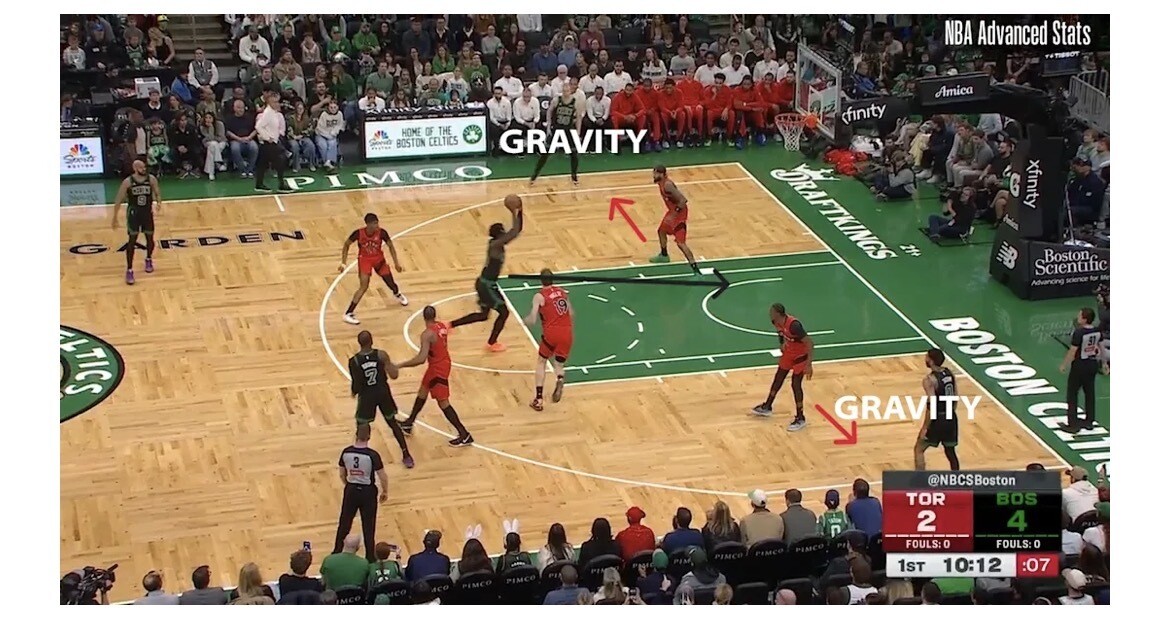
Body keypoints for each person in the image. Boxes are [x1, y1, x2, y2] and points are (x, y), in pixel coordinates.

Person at [447, 195, 524, 351]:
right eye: (504, 232)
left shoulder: (496, 243)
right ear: (500, 234)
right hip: (487, 285)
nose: (506, 234)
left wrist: (519, 212)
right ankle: (492, 343)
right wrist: (515, 212)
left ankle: (449, 325)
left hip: (484, 282)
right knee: (503, 313)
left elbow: (516, 231)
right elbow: (515, 231)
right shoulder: (496, 244)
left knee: (483, 315)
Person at [396, 305, 474, 447]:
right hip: (442, 362)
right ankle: (409, 423)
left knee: (443, 402)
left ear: (423, 317)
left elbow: (421, 359)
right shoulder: (441, 326)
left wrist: (401, 365)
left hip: (438, 369)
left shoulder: (427, 334)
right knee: (423, 391)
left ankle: (464, 434)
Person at [348, 330, 413, 468]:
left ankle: (359, 457)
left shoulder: (354, 361)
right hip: (383, 392)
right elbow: (394, 375)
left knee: (362, 425)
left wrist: (353, 392)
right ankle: (406, 454)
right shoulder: (381, 355)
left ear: (359, 343)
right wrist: (391, 366)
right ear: (372, 341)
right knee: (392, 423)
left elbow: (356, 383)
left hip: (367, 396)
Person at [752, 303, 814, 430]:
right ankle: (767, 406)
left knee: (795, 384)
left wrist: (809, 364)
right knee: (778, 378)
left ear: (778, 313)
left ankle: (800, 418)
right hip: (789, 353)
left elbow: (810, 343)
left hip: (800, 355)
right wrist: (782, 343)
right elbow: (780, 333)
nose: (770, 313)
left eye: (772, 312)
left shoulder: (794, 325)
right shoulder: (776, 322)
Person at [339, 212, 409, 325]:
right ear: (368, 224)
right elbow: (346, 244)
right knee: (363, 286)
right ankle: (348, 313)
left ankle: (397, 293)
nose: (377, 225)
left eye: (377, 223)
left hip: (379, 260)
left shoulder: (382, 233)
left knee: (390, 282)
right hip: (365, 260)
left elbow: (391, 246)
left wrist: (396, 263)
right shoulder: (358, 233)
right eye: (374, 223)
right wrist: (343, 263)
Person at [333, 423, 388, 562]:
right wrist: (385, 491)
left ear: (356, 435)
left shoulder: (346, 452)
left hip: (351, 489)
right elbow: (382, 476)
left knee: (345, 522)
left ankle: (336, 551)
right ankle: (370, 557)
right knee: (369, 526)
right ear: (369, 436)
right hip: (367, 492)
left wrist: (349, 484)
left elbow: (342, 474)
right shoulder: (372, 455)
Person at [523, 269, 574, 410]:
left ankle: (538, 399)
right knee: (559, 364)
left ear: (541, 280)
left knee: (542, 361)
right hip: (567, 332)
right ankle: (560, 378)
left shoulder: (539, 296)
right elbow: (571, 312)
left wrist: (525, 321)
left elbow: (533, 318)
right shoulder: (562, 292)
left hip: (551, 333)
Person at [110, 159, 162, 285]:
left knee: (150, 238)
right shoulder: (128, 182)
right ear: (135, 168)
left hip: (147, 213)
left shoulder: (151, 179)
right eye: (141, 167)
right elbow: (118, 199)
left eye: (144, 167)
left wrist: (159, 202)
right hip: (134, 214)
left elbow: (157, 192)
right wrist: (115, 217)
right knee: (132, 241)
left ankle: (148, 258)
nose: (144, 169)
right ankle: (129, 270)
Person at [914, 348, 961, 470]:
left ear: (931, 361)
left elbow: (932, 404)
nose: (925, 359)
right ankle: (957, 478)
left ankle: (919, 479)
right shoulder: (950, 373)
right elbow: (955, 396)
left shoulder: (929, 380)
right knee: (950, 451)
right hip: (951, 417)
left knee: (919, 449)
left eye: (926, 357)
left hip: (938, 419)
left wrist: (925, 427)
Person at [1059, 308, 1103, 433]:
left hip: (1080, 366)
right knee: (1089, 393)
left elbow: (1073, 351)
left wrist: (1064, 364)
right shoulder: (1097, 331)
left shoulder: (1079, 333)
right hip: (1092, 364)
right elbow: (1100, 348)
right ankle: (1089, 421)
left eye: (1080, 316)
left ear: (1084, 319)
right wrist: (1104, 363)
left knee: (1072, 394)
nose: (1078, 317)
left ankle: (1072, 424)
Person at [648, 165, 700, 271]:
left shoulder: (667, 185)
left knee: (680, 243)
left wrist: (674, 215)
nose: (654, 176)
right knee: (661, 231)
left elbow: (683, 200)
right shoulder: (661, 183)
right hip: (673, 212)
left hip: (679, 214)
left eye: (656, 174)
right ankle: (664, 255)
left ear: (662, 174)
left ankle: (695, 268)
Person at [530, 82, 582, 185]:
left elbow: (579, 117)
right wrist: (548, 125)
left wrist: (578, 132)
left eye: (567, 91)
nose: (566, 92)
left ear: (571, 91)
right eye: (564, 91)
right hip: (556, 129)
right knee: (545, 154)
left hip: (568, 130)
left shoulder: (575, 101)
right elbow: (549, 112)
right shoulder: (557, 100)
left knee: (574, 154)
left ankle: (574, 176)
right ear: (562, 90)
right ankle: (534, 176)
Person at [253, 91, 292, 192]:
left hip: (272, 142)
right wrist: (267, 137)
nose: (277, 104)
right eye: (274, 102)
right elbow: (258, 126)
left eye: (277, 101)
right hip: (269, 143)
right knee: (281, 161)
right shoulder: (268, 113)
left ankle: (259, 184)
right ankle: (281, 185)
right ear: (269, 102)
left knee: (262, 164)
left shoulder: (273, 113)